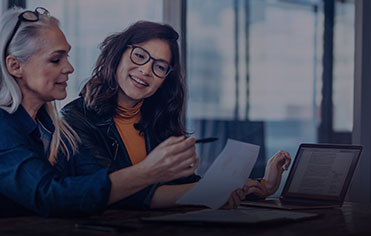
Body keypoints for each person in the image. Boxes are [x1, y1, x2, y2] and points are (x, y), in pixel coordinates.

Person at [0, 7, 272, 218]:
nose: (70, 68)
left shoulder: (51, 126)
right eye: (56, 59)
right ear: (15, 66)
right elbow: (56, 195)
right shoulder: (66, 121)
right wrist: (149, 172)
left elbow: (86, 189)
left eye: (160, 67)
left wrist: (237, 187)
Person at [61, 20, 291, 210]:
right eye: (140, 56)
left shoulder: (158, 120)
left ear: (165, 80)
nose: (146, 70)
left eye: (160, 66)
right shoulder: (76, 119)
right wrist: (211, 192)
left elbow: (185, 186)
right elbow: (111, 192)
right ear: (118, 54)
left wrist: (260, 185)